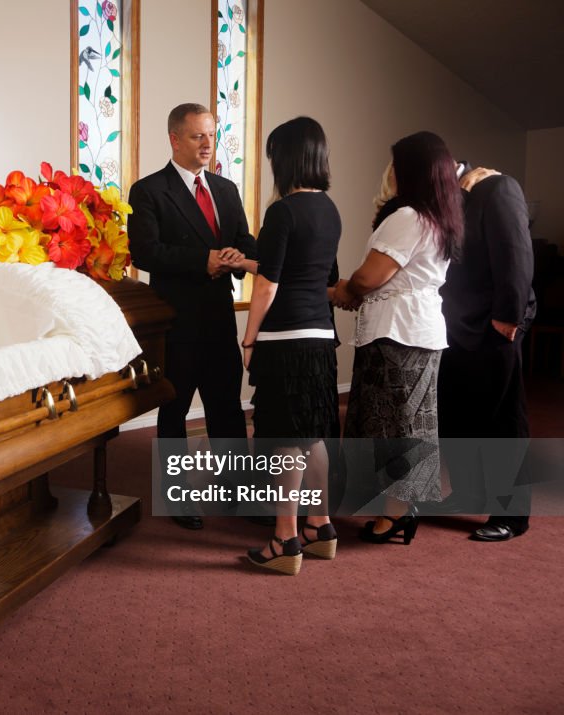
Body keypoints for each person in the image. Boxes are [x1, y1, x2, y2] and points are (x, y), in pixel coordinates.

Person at [128, 103, 257, 530]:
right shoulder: (148, 191)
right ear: (175, 139)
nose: (207, 144)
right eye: (198, 136)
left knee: (227, 408)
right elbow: (147, 253)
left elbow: (241, 238)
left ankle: (239, 492)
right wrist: (203, 259)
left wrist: (245, 255)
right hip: (176, 320)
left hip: (219, 316)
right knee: (174, 409)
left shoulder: (226, 189)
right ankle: (179, 497)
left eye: (211, 135)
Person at [332, 131, 464, 545]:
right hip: (419, 329)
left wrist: (343, 291)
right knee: (411, 423)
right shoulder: (438, 214)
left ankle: (397, 514)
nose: (388, 172)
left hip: (398, 332)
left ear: (409, 170)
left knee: (393, 425)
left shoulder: (409, 216)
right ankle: (400, 508)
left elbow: (371, 276)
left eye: (393, 164)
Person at [241, 117, 341, 575]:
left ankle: (285, 538)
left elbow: (267, 287)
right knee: (313, 432)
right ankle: (320, 526)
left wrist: (249, 337)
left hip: (285, 339)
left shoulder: (282, 211)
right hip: (321, 338)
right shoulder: (329, 210)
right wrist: (248, 259)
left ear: (285, 159)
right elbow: (325, 277)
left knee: (284, 436)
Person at [431, 164, 536, 541]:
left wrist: (508, 317)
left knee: (502, 419)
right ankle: (468, 491)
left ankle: (512, 514)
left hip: (495, 326)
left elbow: (516, 253)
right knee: (457, 413)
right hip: (452, 325)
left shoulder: (497, 188)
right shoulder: (443, 198)